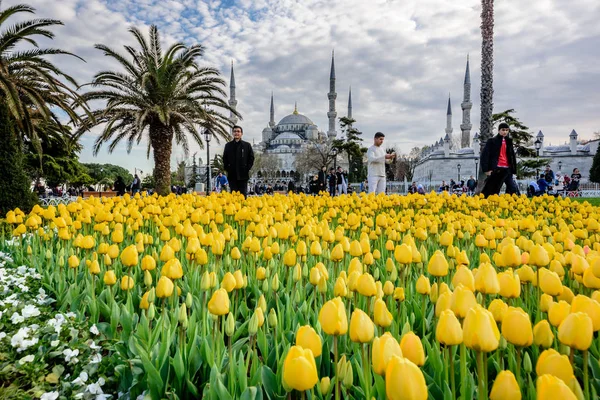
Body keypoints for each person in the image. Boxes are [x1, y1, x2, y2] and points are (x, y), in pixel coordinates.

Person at [480, 122, 517, 197]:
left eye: (507, 130)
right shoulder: (492, 141)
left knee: (513, 189)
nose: (505, 132)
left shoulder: (509, 141)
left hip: (507, 169)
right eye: (503, 130)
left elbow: (512, 156)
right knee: (494, 190)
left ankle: (513, 205)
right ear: (499, 130)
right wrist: (486, 170)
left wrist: (513, 169)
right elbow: (485, 155)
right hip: (497, 169)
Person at [223, 125, 255, 198]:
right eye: (235, 131)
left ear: (241, 133)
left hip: (243, 175)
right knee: (233, 195)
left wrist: (247, 168)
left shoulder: (247, 145)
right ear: (232, 133)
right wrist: (228, 168)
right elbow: (225, 158)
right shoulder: (228, 145)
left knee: (243, 196)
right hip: (232, 175)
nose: (236, 133)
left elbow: (251, 158)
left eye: (238, 131)